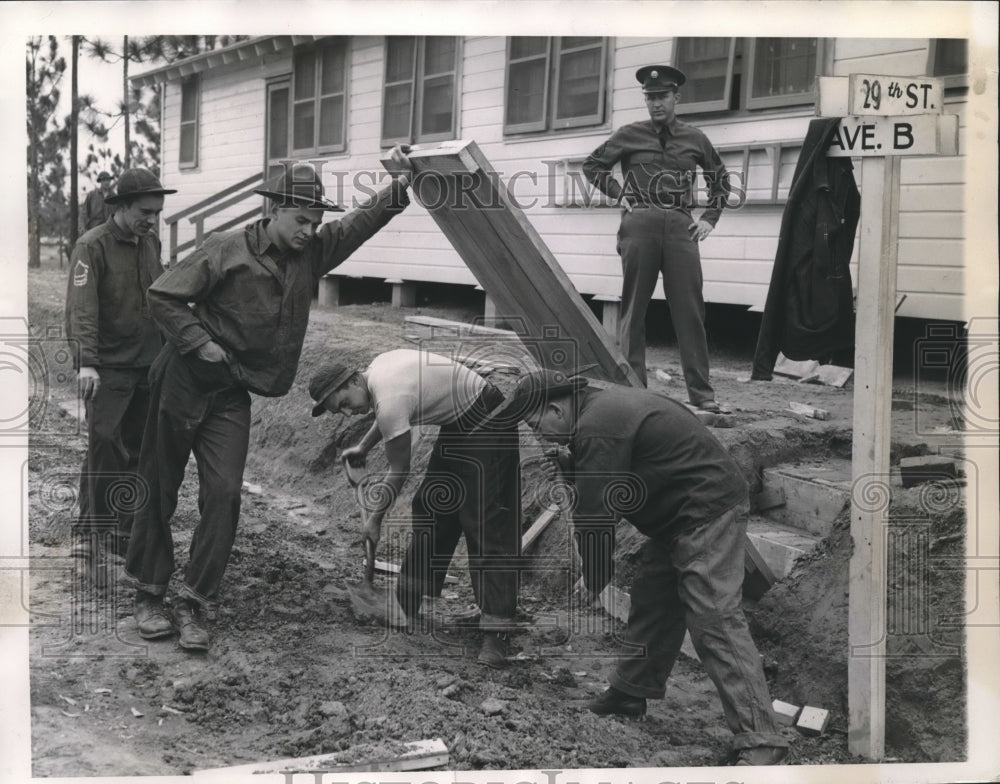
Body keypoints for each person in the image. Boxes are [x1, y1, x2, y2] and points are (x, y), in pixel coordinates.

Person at [123, 149, 413, 651]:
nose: (309, 229)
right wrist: (200, 342)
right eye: (301, 219)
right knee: (159, 485)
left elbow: (359, 226)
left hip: (231, 392)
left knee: (226, 493)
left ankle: (193, 601)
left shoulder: (311, 254)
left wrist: (401, 187)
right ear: (274, 209)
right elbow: (163, 296)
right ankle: (150, 594)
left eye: (316, 221)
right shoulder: (225, 249)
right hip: (182, 379)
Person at [487, 369, 789, 765]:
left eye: (536, 424)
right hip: (679, 514)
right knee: (654, 596)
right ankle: (630, 692)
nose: (539, 435)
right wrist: (569, 464)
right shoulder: (595, 413)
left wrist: (593, 577)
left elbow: (598, 516)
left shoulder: (598, 426)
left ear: (557, 407)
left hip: (705, 509)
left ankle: (762, 739)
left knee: (714, 617)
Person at [309, 349, 521, 668]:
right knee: (432, 506)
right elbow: (388, 414)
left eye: (345, 404)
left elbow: (399, 469)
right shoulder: (376, 374)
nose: (349, 413)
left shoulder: (389, 393)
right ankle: (406, 601)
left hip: (488, 417)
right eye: (341, 412)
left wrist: (375, 521)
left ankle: (498, 632)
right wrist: (363, 446)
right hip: (460, 422)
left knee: (484, 518)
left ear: (353, 380)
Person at [583, 65, 730, 412]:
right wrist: (619, 193)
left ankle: (703, 396)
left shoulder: (695, 139)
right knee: (634, 310)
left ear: (676, 97)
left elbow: (720, 180)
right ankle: (636, 391)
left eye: (662, 97)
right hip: (640, 224)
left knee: (690, 312)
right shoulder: (629, 134)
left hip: (681, 227)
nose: (656, 104)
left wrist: (709, 218)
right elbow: (593, 166)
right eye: (649, 98)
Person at [65, 168, 175, 588]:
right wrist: (87, 361)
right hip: (108, 368)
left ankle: (121, 531)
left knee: (136, 451)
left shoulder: (150, 242)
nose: (152, 219)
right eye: (146, 211)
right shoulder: (91, 247)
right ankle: (88, 537)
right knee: (104, 445)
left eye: (158, 212)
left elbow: (160, 294)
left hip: (148, 364)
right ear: (122, 207)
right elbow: (82, 307)